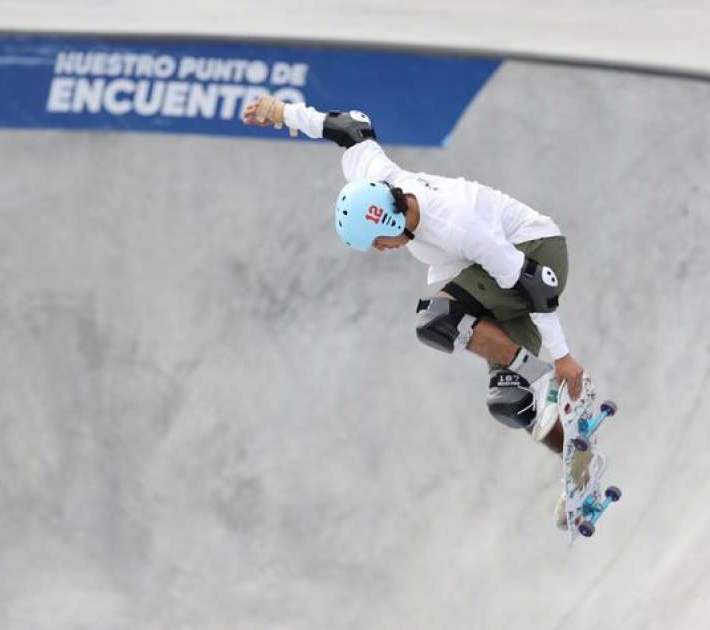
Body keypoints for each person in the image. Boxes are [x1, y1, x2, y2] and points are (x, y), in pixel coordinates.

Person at [243, 96, 587, 528]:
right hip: (488, 280)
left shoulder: (458, 225)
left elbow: (537, 285)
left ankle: (542, 375)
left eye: (379, 243)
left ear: (390, 225)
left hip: (534, 254)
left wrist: (562, 359)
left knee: (438, 318)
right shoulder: (377, 182)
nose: (382, 252)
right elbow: (349, 128)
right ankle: (577, 456)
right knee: (509, 402)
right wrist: (279, 113)